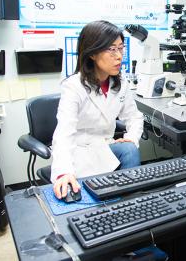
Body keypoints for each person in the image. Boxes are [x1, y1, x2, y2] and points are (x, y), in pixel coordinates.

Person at [51, 20, 143, 199]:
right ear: (92, 53)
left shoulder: (120, 83)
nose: (119, 56)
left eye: (121, 48)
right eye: (111, 49)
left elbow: (135, 117)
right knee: (89, 201)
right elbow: (64, 133)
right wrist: (63, 172)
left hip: (105, 147)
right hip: (79, 153)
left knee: (130, 149)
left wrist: (130, 138)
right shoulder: (73, 87)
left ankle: (134, 202)